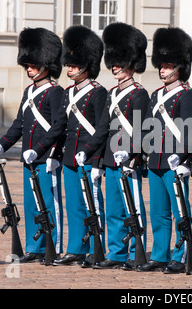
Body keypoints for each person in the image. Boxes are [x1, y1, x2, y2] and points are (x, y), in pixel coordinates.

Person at [22, 25, 107, 267]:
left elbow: (102, 129)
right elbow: (58, 127)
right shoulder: (69, 93)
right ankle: (76, 249)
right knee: (74, 206)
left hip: (89, 158)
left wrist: (98, 160)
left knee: (93, 205)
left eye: (73, 65)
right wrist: (42, 150)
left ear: (86, 65)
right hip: (70, 158)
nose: (69, 69)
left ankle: (96, 249)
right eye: (68, 65)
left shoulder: (98, 93)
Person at [75, 22, 149, 270]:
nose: (114, 66)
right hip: (110, 160)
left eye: (119, 62)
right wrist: (87, 150)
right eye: (113, 62)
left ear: (131, 64)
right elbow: (103, 128)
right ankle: (116, 253)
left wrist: (130, 154)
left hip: (128, 161)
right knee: (115, 210)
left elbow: (142, 131)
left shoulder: (139, 94)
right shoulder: (112, 93)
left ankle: (137, 251)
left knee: (133, 209)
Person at [0, 27, 65, 263]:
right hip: (28, 158)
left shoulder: (55, 92)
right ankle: (35, 246)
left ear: (46, 64)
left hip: (44, 157)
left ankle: (53, 246)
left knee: (49, 205)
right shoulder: (29, 91)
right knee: (32, 204)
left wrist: (40, 149)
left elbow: (57, 127)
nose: (29, 69)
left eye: (33, 65)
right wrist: (3, 144)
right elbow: (20, 124)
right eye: (28, 65)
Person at [137, 27, 192, 274]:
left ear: (179, 68)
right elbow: (148, 128)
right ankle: (160, 254)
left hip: (175, 164)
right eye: (161, 66)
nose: (162, 70)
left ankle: (180, 254)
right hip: (155, 161)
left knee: (179, 211)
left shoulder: (187, 96)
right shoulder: (156, 95)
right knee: (159, 214)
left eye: (167, 66)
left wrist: (185, 158)